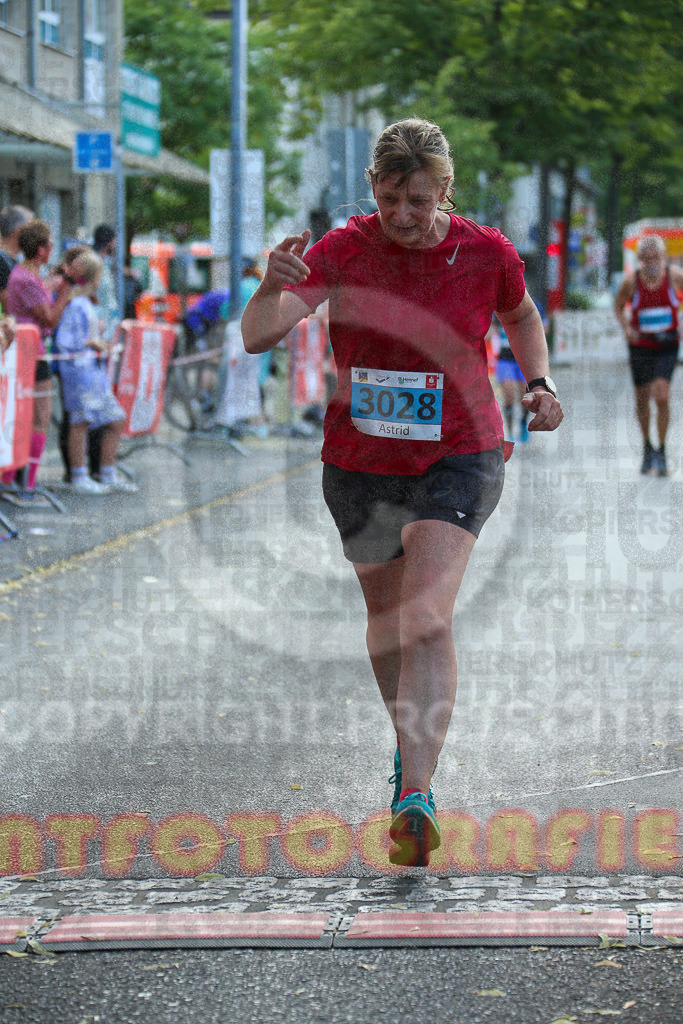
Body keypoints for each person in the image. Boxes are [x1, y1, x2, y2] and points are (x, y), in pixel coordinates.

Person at [242, 118, 563, 866]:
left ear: (444, 191)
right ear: (372, 191)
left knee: (423, 616)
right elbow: (260, 335)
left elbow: (519, 315)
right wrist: (268, 287)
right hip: (358, 461)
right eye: (390, 199)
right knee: (388, 623)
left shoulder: (486, 253)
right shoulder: (342, 250)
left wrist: (539, 381)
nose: (403, 216)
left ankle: (415, 792)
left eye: (418, 199)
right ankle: (406, 751)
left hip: (461, 451)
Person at [1, 219, 76, 498]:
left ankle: (15, 479)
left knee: (23, 416)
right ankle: (25, 482)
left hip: (28, 351)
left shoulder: (26, 274)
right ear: (42, 249)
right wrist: (66, 288)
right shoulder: (26, 277)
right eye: (51, 244)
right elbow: (50, 318)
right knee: (38, 419)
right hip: (32, 353)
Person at [54, 249, 137, 495]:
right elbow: (69, 340)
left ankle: (105, 472)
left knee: (114, 419)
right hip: (80, 373)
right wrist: (95, 342)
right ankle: (80, 476)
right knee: (81, 421)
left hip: (92, 372)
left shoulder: (82, 303)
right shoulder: (78, 304)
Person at [614, 234, 683, 476]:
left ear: (662, 257)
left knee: (661, 395)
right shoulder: (631, 283)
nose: (652, 261)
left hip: (667, 344)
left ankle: (662, 449)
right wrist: (627, 327)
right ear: (640, 259)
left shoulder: (674, 277)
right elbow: (618, 306)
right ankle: (647, 447)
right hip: (640, 346)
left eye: (656, 256)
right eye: (647, 257)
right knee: (642, 398)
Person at [489, 315, 529, 442]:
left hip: (522, 359)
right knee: (509, 395)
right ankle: (511, 434)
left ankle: (523, 422)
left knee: (525, 396)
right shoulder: (496, 311)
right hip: (504, 360)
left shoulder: (527, 307)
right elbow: (488, 334)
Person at [0, 205, 33, 312]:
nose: (34, 236)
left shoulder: (11, 261)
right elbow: (12, 310)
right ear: (18, 231)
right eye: (30, 230)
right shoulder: (2, 263)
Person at [92, 223, 119, 342]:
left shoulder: (105, 263)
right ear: (109, 242)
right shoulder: (93, 263)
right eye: (114, 240)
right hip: (98, 325)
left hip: (107, 326)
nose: (115, 244)